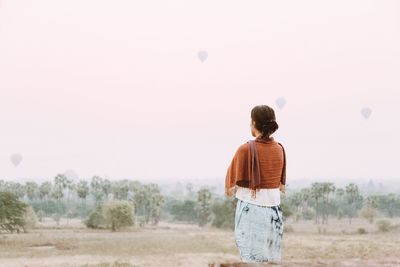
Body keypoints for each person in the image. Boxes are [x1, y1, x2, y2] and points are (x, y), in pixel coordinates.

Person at [225, 104, 286, 263]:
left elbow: (229, 189)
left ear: (253, 123)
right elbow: (280, 185)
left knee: (251, 260)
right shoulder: (279, 149)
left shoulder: (245, 150)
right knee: (271, 260)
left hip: (250, 209)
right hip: (275, 211)